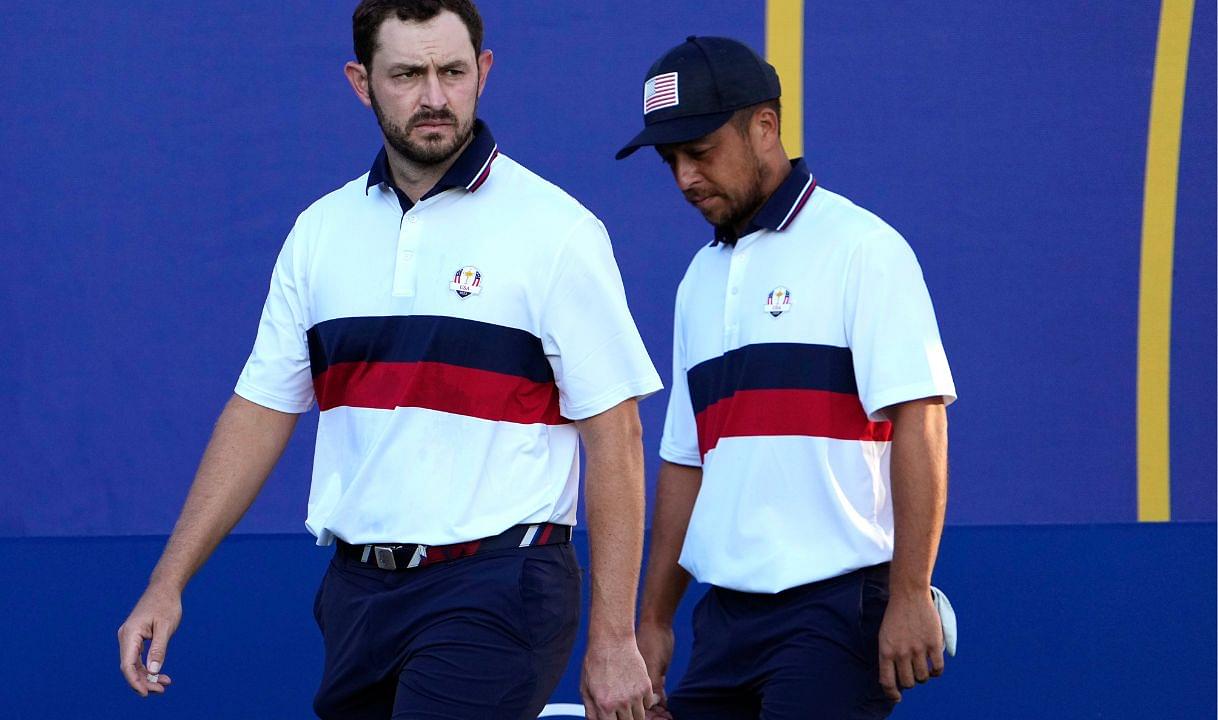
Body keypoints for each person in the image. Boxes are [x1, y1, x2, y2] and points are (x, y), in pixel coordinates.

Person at [116, 2, 662, 718]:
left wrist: (614, 637)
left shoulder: (557, 231)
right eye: (407, 74)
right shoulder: (319, 234)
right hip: (356, 595)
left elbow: (614, 437)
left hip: (499, 585)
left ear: (484, 72)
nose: (435, 97)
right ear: (360, 82)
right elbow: (259, 413)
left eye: (452, 71)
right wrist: (168, 581)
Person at [615, 36, 958, 719]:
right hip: (722, 625)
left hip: (834, 615)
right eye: (671, 160)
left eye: (701, 151)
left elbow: (921, 422)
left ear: (764, 127)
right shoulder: (698, 281)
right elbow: (687, 465)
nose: (685, 177)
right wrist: (652, 621)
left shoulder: (863, 249)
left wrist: (911, 591)